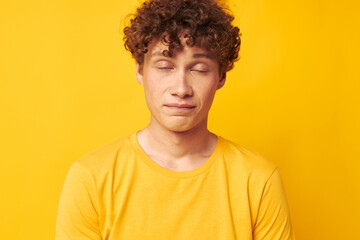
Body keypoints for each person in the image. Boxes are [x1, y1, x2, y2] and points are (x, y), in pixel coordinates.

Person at [55, 0, 295, 239]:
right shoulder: (90, 178)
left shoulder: (259, 180)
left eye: (199, 69)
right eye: (164, 66)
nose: (181, 89)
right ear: (140, 69)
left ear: (221, 76)